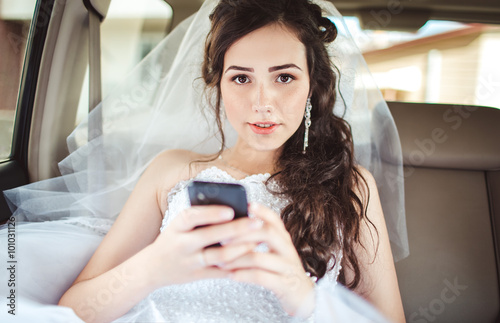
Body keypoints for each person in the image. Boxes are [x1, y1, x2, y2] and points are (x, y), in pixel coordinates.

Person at [1, 0, 408, 322]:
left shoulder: (351, 185)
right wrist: (155, 266)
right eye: (241, 78)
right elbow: (75, 310)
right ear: (219, 86)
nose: (262, 102)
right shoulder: (171, 170)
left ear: (312, 87)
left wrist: (302, 297)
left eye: (284, 77)